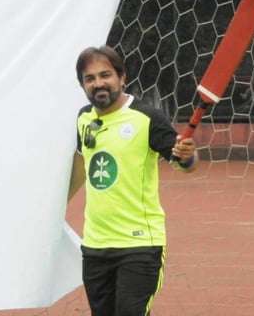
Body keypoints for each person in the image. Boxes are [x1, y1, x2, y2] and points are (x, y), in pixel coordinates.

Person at [68, 45, 198, 316]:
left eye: (105, 75)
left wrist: (187, 156)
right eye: (90, 78)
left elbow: (185, 161)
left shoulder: (147, 118)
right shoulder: (83, 118)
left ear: (122, 77)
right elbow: (81, 163)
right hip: (95, 245)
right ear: (82, 85)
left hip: (139, 245)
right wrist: (53, 208)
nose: (98, 83)